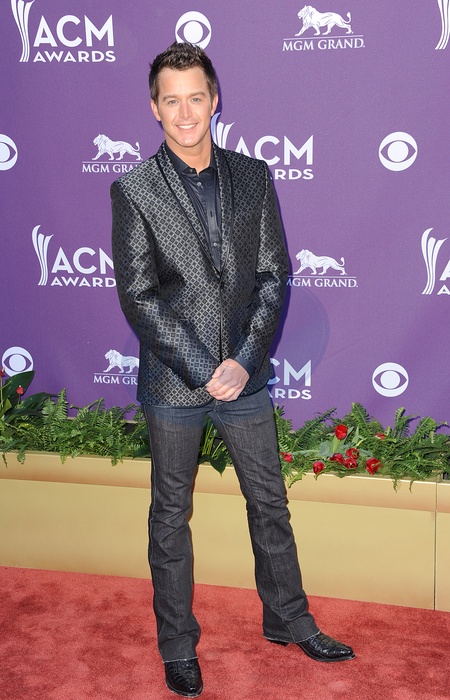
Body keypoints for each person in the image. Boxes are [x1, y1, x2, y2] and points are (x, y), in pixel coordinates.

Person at [111, 41, 354, 699]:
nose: (185, 112)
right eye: (172, 101)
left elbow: (274, 275)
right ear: (154, 108)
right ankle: (177, 646)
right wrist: (203, 367)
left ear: (214, 100)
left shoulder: (253, 175)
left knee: (269, 502)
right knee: (170, 515)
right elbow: (139, 296)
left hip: (246, 376)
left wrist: (244, 361)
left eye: (196, 97)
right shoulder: (133, 190)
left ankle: (289, 619)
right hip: (174, 382)